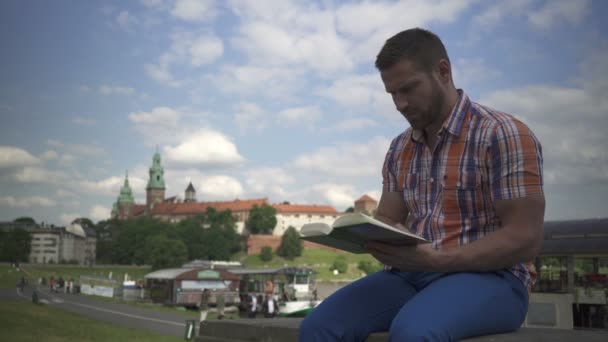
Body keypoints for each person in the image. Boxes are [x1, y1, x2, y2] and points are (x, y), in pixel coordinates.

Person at [299, 28, 545, 342]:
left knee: (414, 333)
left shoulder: (503, 134)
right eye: (392, 94)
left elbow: (525, 238)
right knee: (318, 328)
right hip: (411, 274)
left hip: (494, 278)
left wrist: (439, 260)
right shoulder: (400, 147)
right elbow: (390, 216)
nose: (400, 104)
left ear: (443, 71)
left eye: (409, 89)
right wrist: (366, 234)